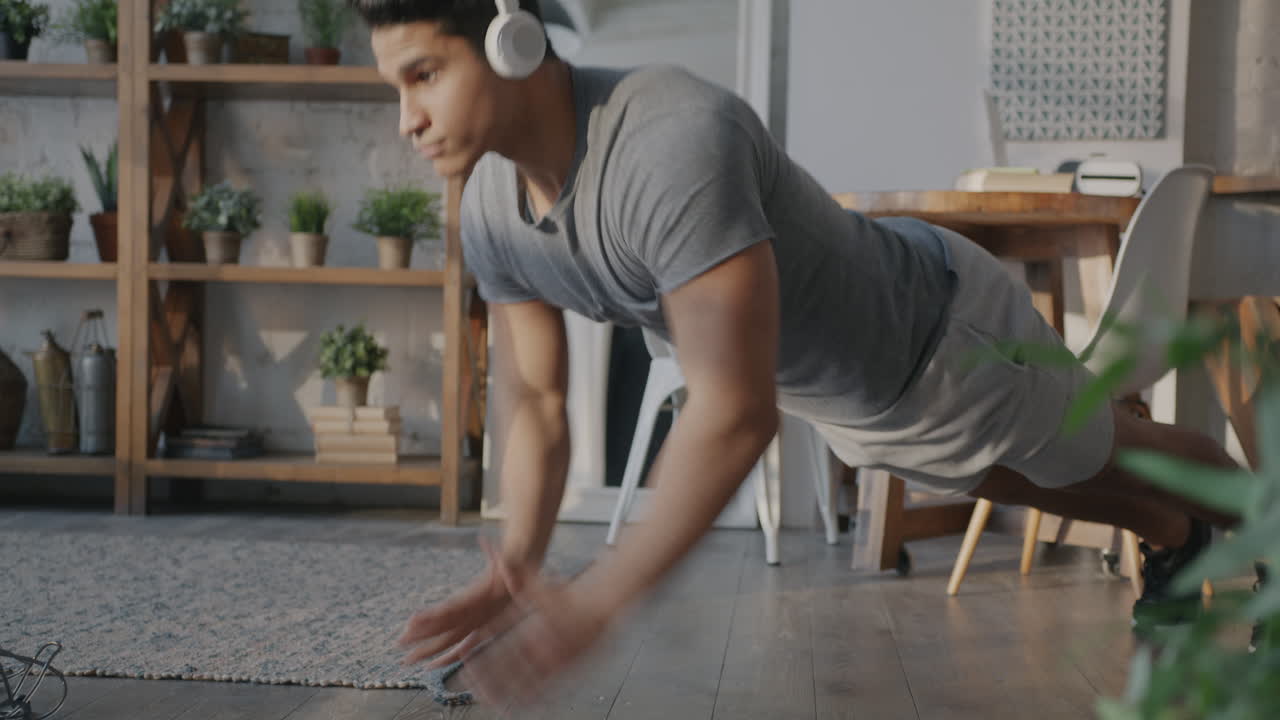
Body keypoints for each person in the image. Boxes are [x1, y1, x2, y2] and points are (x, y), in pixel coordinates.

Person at [348, 0, 1247, 705]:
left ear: (511, 39)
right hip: (852, 396)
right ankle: (1176, 532)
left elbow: (733, 412)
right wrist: (520, 564)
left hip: (941, 333)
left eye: (425, 74)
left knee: (1113, 451)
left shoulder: (667, 138)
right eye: (396, 87)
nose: (407, 120)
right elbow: (540, 402)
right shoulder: (490, 212)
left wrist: (598, 600)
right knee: (1014, 480)